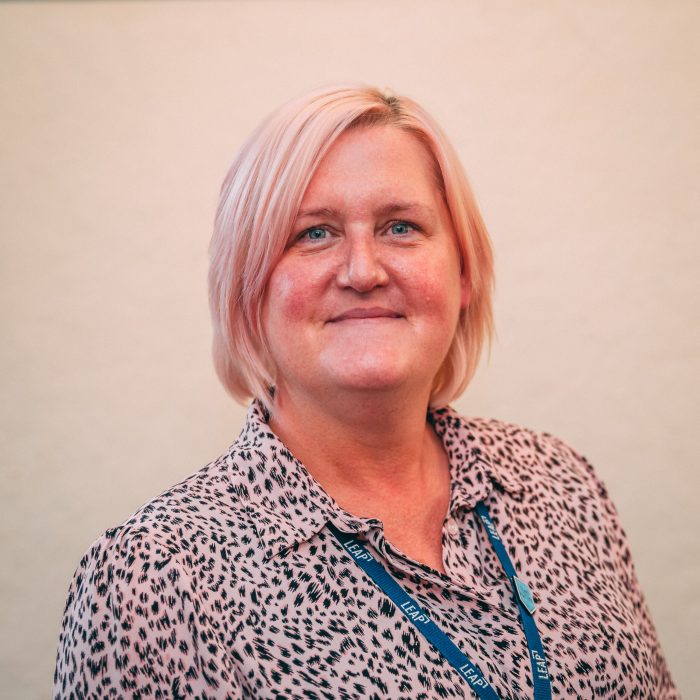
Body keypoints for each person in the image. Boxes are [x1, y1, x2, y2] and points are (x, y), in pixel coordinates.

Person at [53, 84, 678, 699]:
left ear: (463, 273)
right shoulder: (156, 578)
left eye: (401, 227)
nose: (363, 271)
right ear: (247, 290)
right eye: (314, 234)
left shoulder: (562, 483)